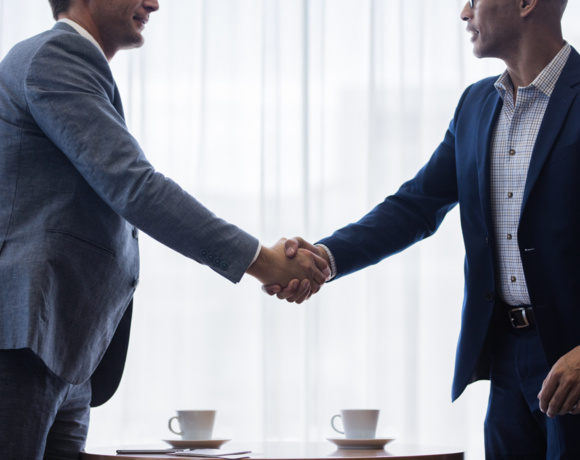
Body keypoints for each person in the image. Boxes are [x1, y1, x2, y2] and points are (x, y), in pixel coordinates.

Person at [0, 1, 330, 459]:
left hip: (60, 350)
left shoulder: (73, 64)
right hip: (22, 340)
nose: (155, 2)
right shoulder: (54, 57)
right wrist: (262, 261)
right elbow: (134, 186)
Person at [265, 0, 580, 457]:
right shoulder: (475, 105)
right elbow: (416, 205)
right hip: (507, 359)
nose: (464, 12)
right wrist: (324, 258)